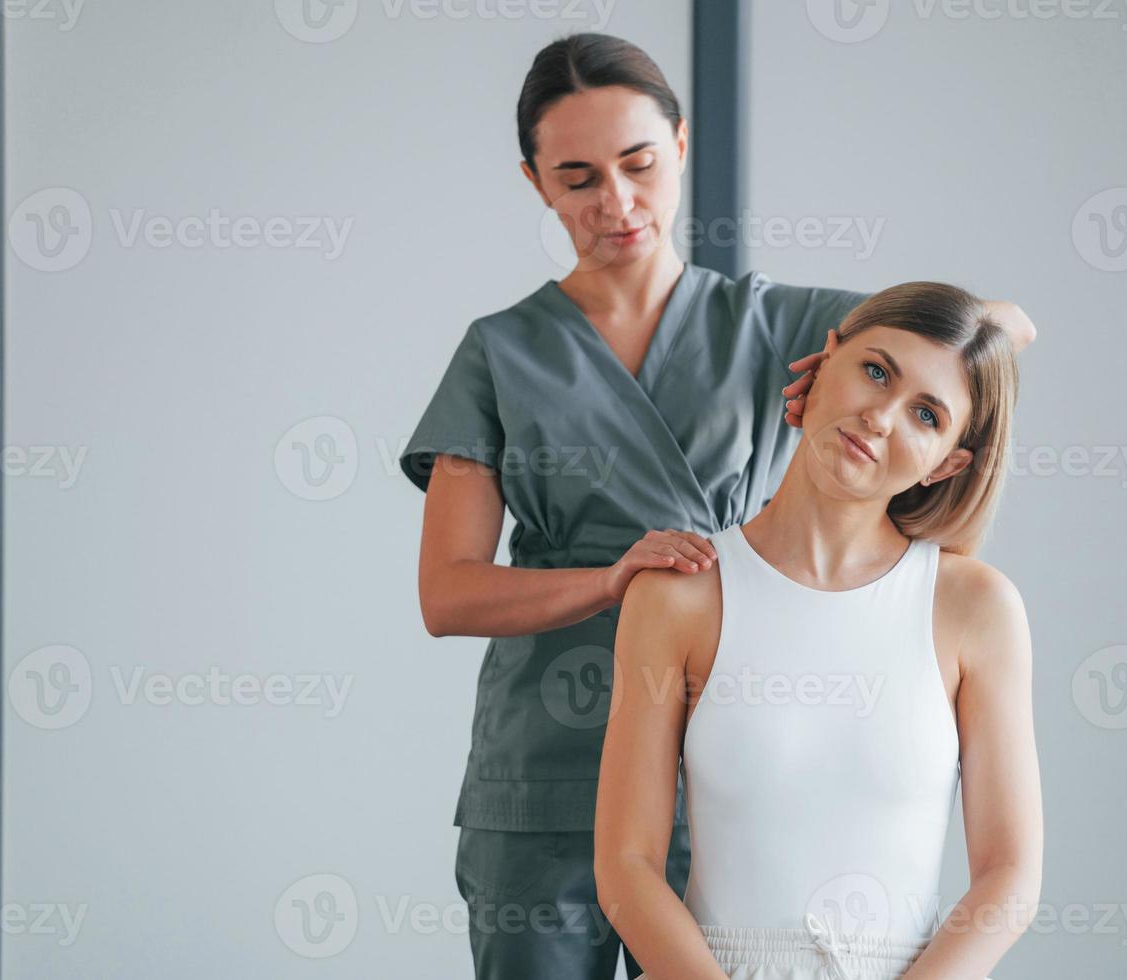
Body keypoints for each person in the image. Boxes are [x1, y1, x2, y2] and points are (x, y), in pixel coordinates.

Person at [400, 33, 1037, 980]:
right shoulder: (501, 351)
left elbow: (988, 335)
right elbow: (447, 596)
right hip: (548, 758)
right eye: (576, 178)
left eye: (640, 164)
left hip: (727, 749)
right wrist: (615, 580)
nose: (615, 203)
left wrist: (849, 375)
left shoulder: (774, 323)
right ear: (535, 183)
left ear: (682, 148)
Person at [594, 282, 1042, 980]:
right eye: (874, 371)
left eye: (926, 414)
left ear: (949, 462)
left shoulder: (976, 607)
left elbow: (1009, 878)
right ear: (821, 363)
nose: (881, 417)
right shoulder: (680, 596)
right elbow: (626, 869)